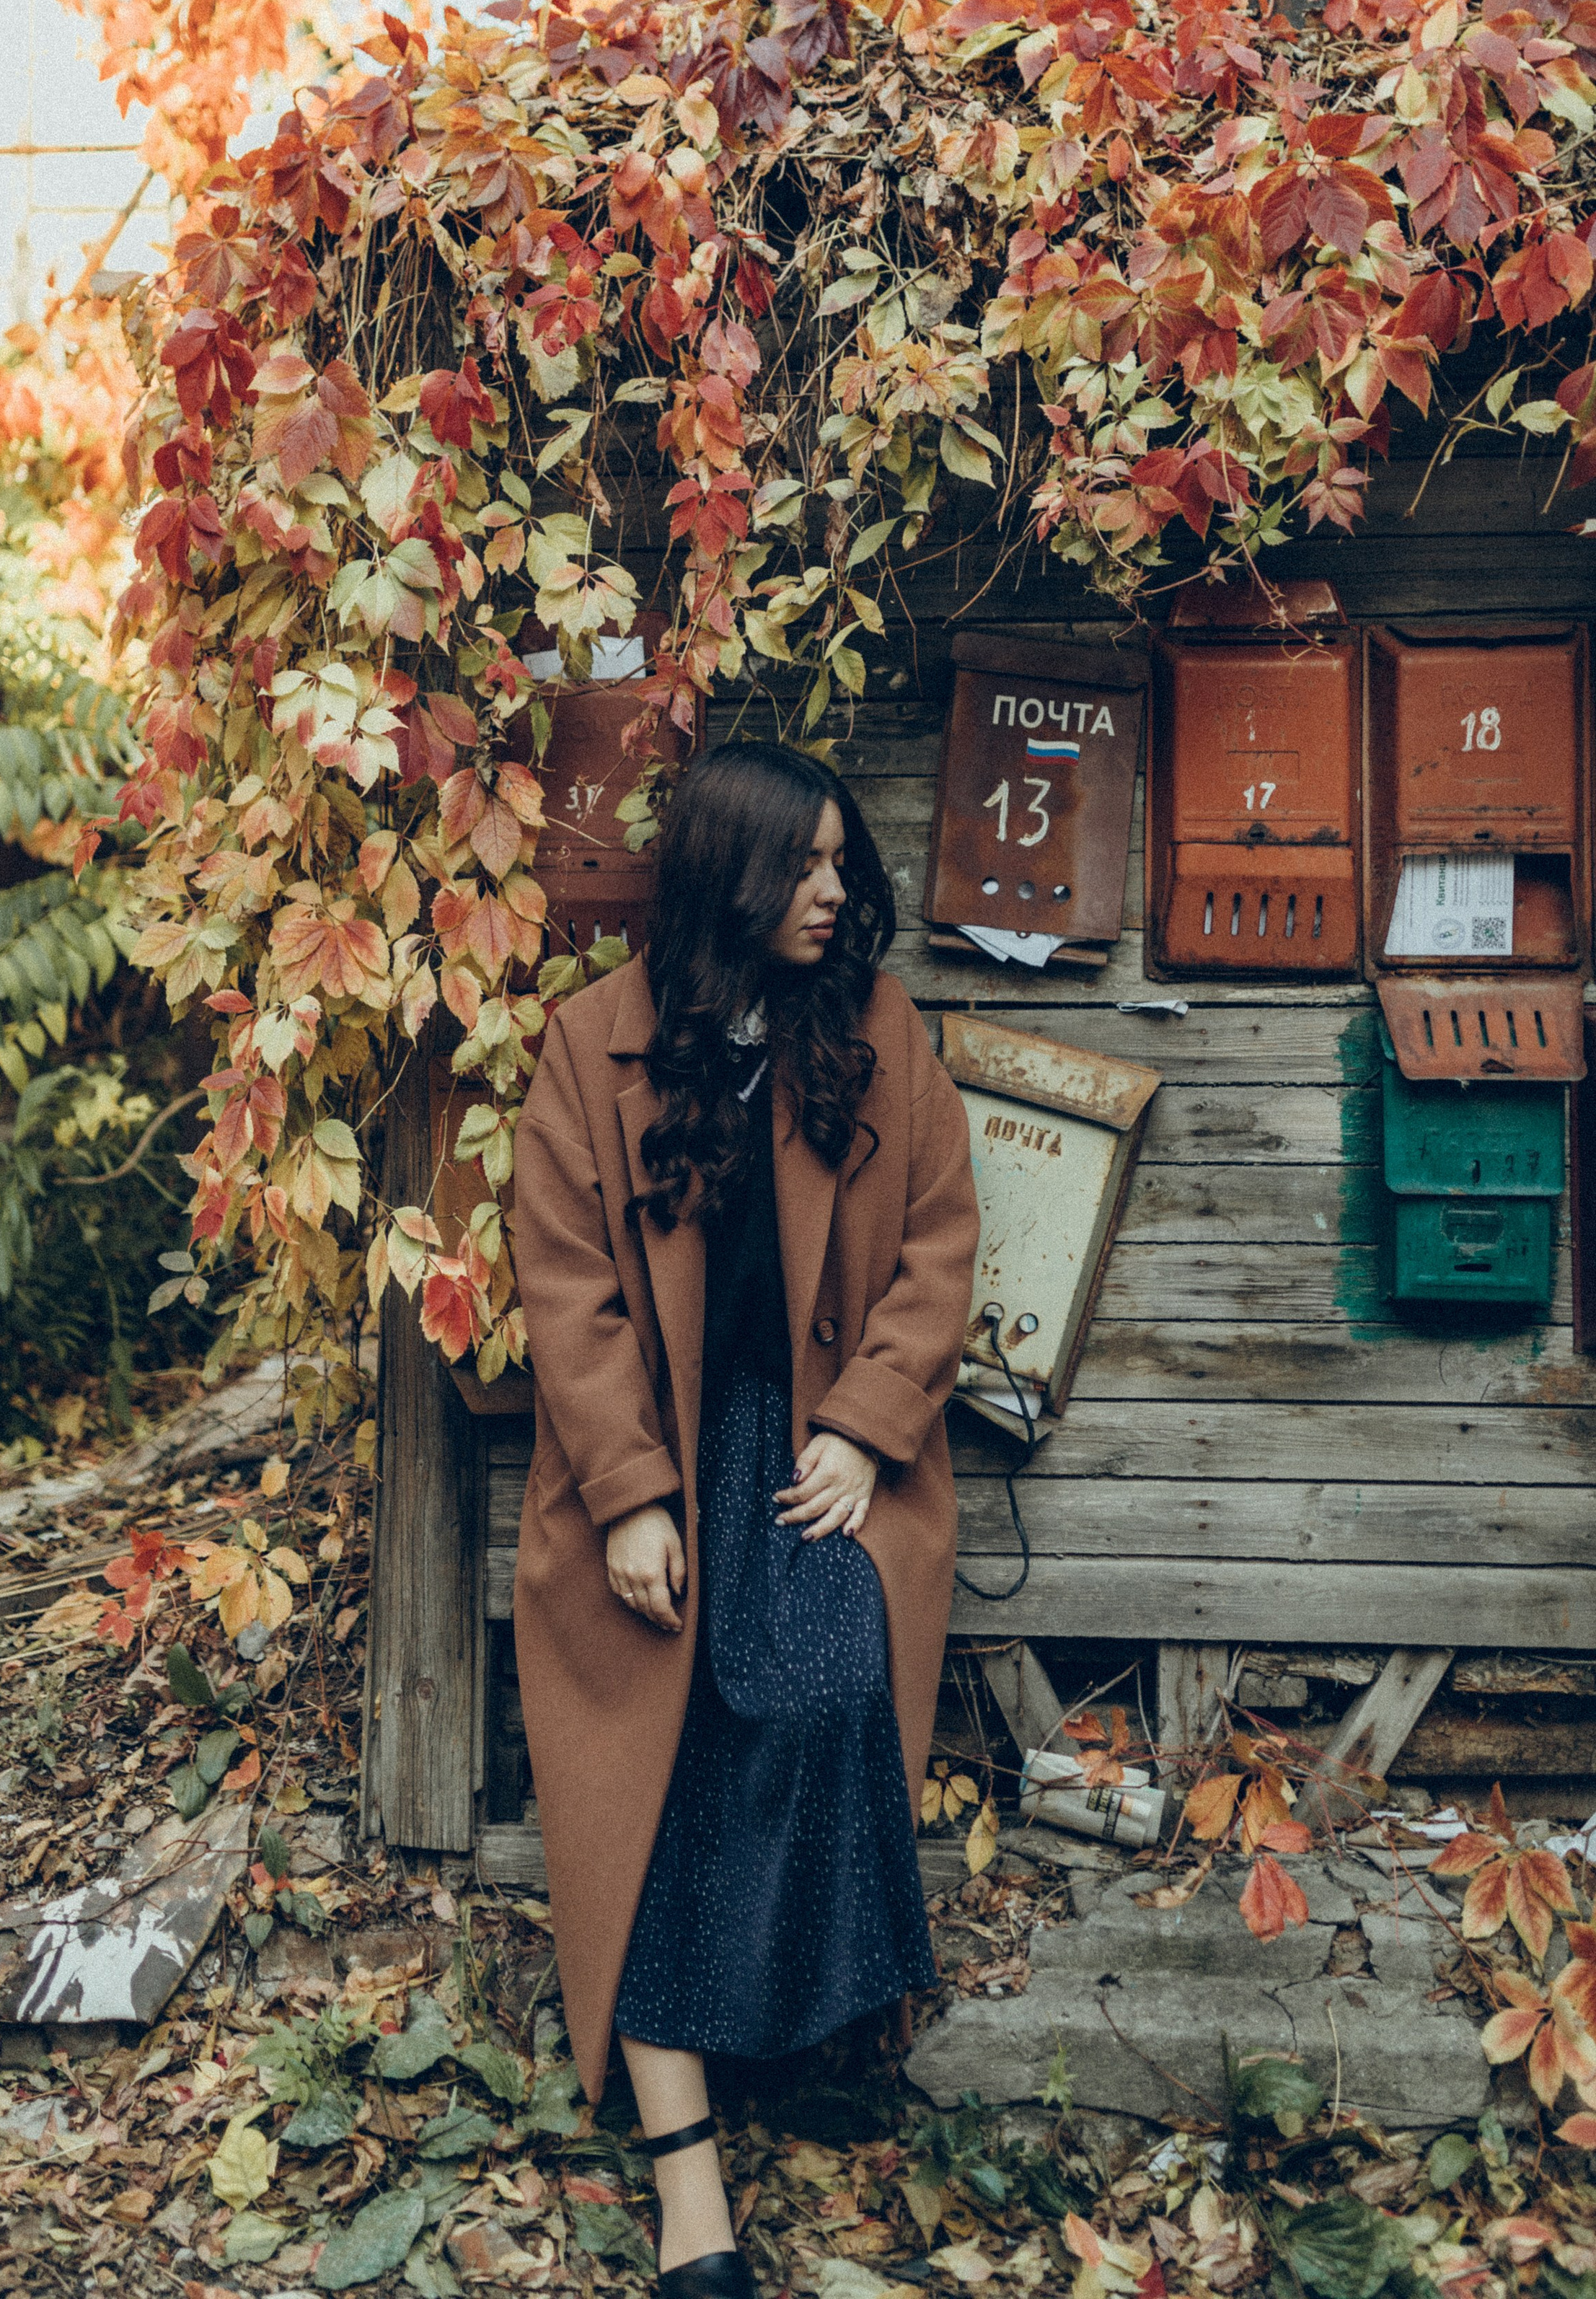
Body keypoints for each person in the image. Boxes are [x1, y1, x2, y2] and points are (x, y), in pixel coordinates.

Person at [511, 741, 982, 2299]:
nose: (834, 891)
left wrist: (865, 1427)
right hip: (655, 1460)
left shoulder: (874, 1028)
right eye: (806, 865)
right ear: (732, 875)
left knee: (826, 1681)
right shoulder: (593, 1047)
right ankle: (689, 2190)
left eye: (845, 863)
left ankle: (799, 2039)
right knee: (669, 1751)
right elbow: (567, 1290)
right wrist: (630, 1497)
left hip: (810, 1449)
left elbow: (938, 1243)